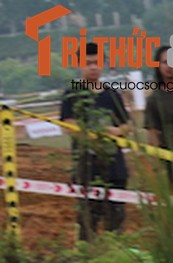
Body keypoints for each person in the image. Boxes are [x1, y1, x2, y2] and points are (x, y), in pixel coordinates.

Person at [60, 41, 129, 239]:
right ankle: (86, 258)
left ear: (103, 64)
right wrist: (92, 136)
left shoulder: (112, 94)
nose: (93, 67)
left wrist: (116, 132)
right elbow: (68, 125)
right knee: (88, 219)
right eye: (88, 63)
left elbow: (127, 124)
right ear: (80, 65)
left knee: (116, 218)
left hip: (114, 165)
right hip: (86, 165)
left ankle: (115, 257)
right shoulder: (72, 94)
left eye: (97, 62)